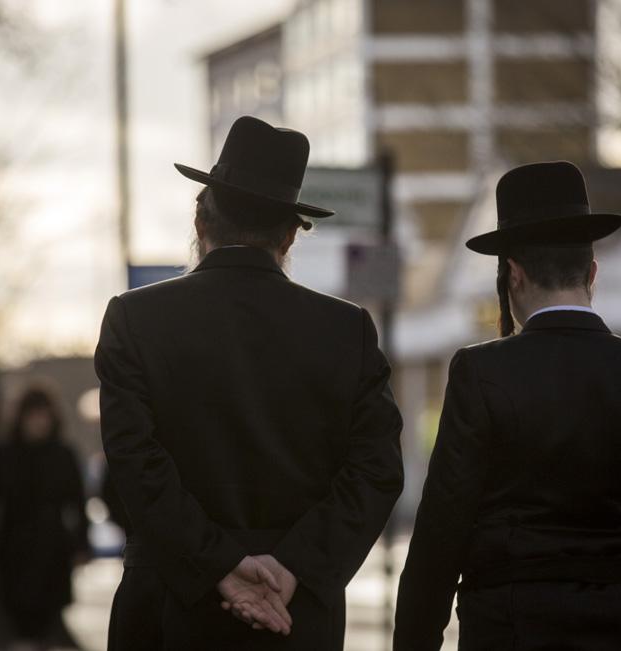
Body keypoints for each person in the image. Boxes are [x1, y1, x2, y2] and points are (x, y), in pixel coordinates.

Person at [394, 161, 621, 650]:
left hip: (509, 633)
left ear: (512, 274)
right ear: (592, 272)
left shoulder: (481, 374)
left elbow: (439, 538)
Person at [95, 115, 404, 650]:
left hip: (169, 606)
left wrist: (218, 563)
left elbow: (134, 462)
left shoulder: (135, 319)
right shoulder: (345, 330)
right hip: (295, 614)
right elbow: (376, 471)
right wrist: (292, 567)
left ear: (201, 220)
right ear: (289, 235)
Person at [0, 386, 90, 650]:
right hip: (14, 550)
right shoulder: (5, 455)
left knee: (47, 615)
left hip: (52, 550)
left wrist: (82, 545)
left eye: (42, 416)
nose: (38, 423)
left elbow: (78, 504)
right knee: (20, 619)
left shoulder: (63, 455)